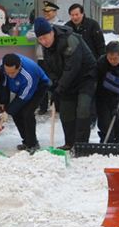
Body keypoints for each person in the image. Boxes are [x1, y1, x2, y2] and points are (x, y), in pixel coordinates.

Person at [34, 17, 97, 151]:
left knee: (83, 109)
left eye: (45, 37)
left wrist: (59, 89)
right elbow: (50, 69)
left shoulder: (70, 40)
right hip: (67, 81)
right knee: (66, 111)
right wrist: (54, 87)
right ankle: (70, 142)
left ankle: (81, 145)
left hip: (85, 78)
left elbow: (72, 68)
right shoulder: (46, 48)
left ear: (52, 32)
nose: (43, 42)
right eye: (40, 39)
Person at [1, 53, 51, 153]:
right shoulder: (2, 67)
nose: (10, 76)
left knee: (27, 113)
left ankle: (33, 144)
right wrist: (4, 104)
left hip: (38, 87)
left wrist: (8, 111)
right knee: (16, 113)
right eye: (8, 73)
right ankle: (26, 141)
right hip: (21, 88)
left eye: (13, 73)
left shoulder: (29, 74)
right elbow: (4, 86)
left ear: (19, 68)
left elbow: (24, 97)